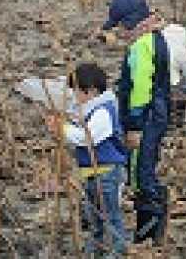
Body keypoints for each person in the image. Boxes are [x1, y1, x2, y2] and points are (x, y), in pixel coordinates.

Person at [102, 0, 170, 245]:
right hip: (157, 113)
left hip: (148, 117)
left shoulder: (142, 46)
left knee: (142, 170)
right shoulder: (154, 37)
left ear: (130, 22)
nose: (119, 32)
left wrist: (134, 126)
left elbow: (141, 89)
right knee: (145, 166)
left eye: (120, 25)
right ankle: (151, 226)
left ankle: (149, 233)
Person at [46, 63, 127, 256]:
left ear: (90, 91)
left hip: (105, 173)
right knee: (97, 218)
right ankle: (97, 249)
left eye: (76, 92)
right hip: (93, 174)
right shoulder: (93, 109)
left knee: (108, 218)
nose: (74, 97)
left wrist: (63, 129)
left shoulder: (103, 111)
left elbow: (87, 138)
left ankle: (114, 251)